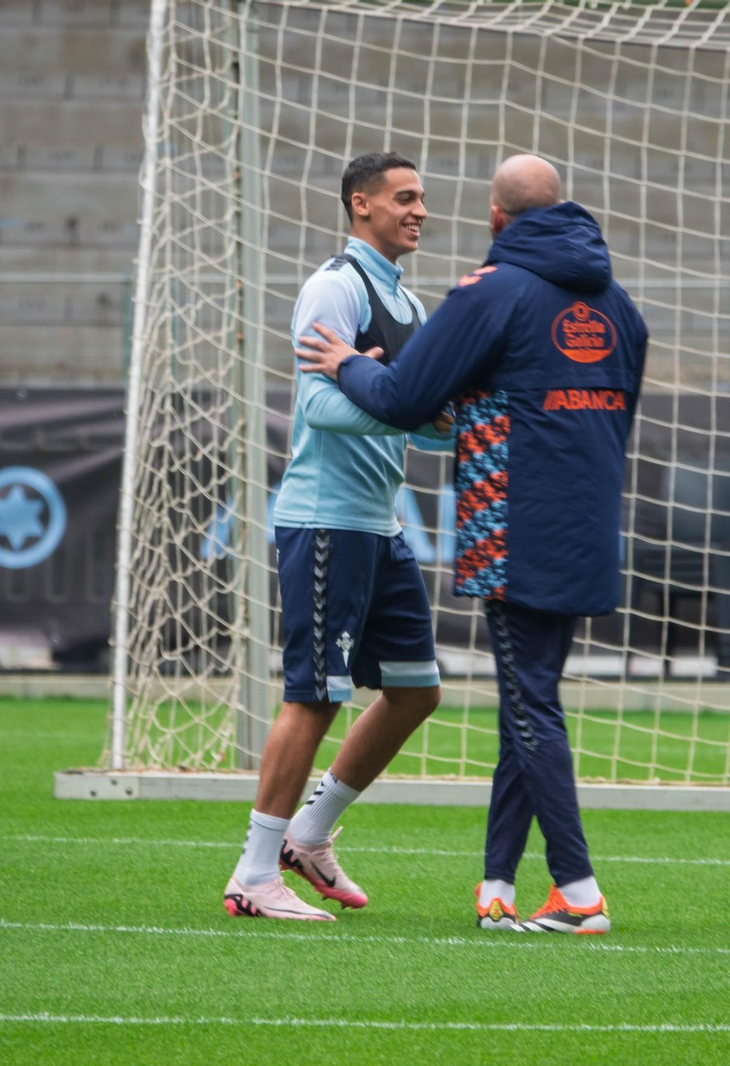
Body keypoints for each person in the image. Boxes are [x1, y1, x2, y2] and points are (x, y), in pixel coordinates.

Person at [295, 154, 648, 934]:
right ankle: (497, 886)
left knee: (530, 705)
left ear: (496, 217)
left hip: (514, 526)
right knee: (528, 698)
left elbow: (403, 397)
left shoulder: (491, 292)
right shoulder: (619, 304)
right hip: (588, 524)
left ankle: (578, 891)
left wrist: (346, 364)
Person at [224, 151, 455, 921]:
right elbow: (319, 407)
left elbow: (425, 420)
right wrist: (394, 400)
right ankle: (254, 874)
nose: (420, 210)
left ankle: (309, 833)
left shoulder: (409, 304)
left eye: (422, 198)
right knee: (315, 696)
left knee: (415, 691)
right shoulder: (334, 286)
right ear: (361, 204)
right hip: (326, 521)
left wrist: (442, 417)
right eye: (405, 197)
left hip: (381, 525)